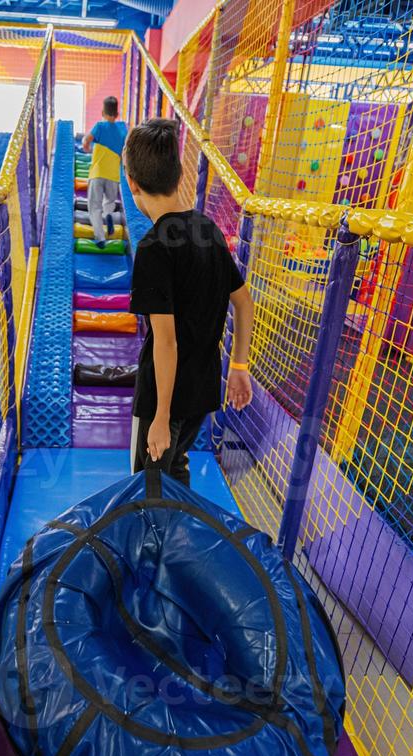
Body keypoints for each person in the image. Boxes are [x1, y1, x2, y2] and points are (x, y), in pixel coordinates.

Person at [124, 117, 254, 485]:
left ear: (132, 183)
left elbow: (166, 341)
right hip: (201, 389)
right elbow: (244, 303)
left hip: (164, 397)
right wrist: (239, 365)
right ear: (181, 175)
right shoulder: (208, 229)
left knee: (147, 486)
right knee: (176, 468)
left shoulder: (153, 247)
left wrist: (161, 415)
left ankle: (158, 527)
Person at [81, 96, 126, 246]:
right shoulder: (122, 131)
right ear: (117, 114)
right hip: (113, 175)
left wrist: (86, 147)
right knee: (110, 201)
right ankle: (108, 215)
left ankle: (100, 238)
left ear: (102, 113)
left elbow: (87, 139)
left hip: (98, 173)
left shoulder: (99, 126)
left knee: (94, 206)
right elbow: (125, 153)